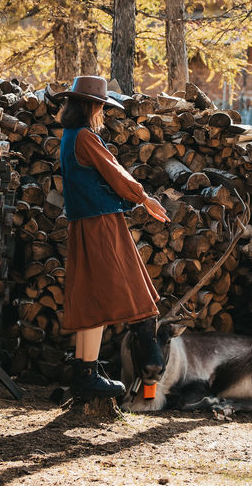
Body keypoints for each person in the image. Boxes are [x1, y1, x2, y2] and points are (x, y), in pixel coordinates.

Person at [57, 75, 170, 399]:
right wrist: (143, 197)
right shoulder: (86, 138)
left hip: (84, 224)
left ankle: (84, 371)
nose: (102, 113)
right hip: (100, 225)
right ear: (91, 106)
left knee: (91, 295)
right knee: (111, 292)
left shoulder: (69, 136)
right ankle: (89, 374)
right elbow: (115, 171)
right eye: (100, 107)